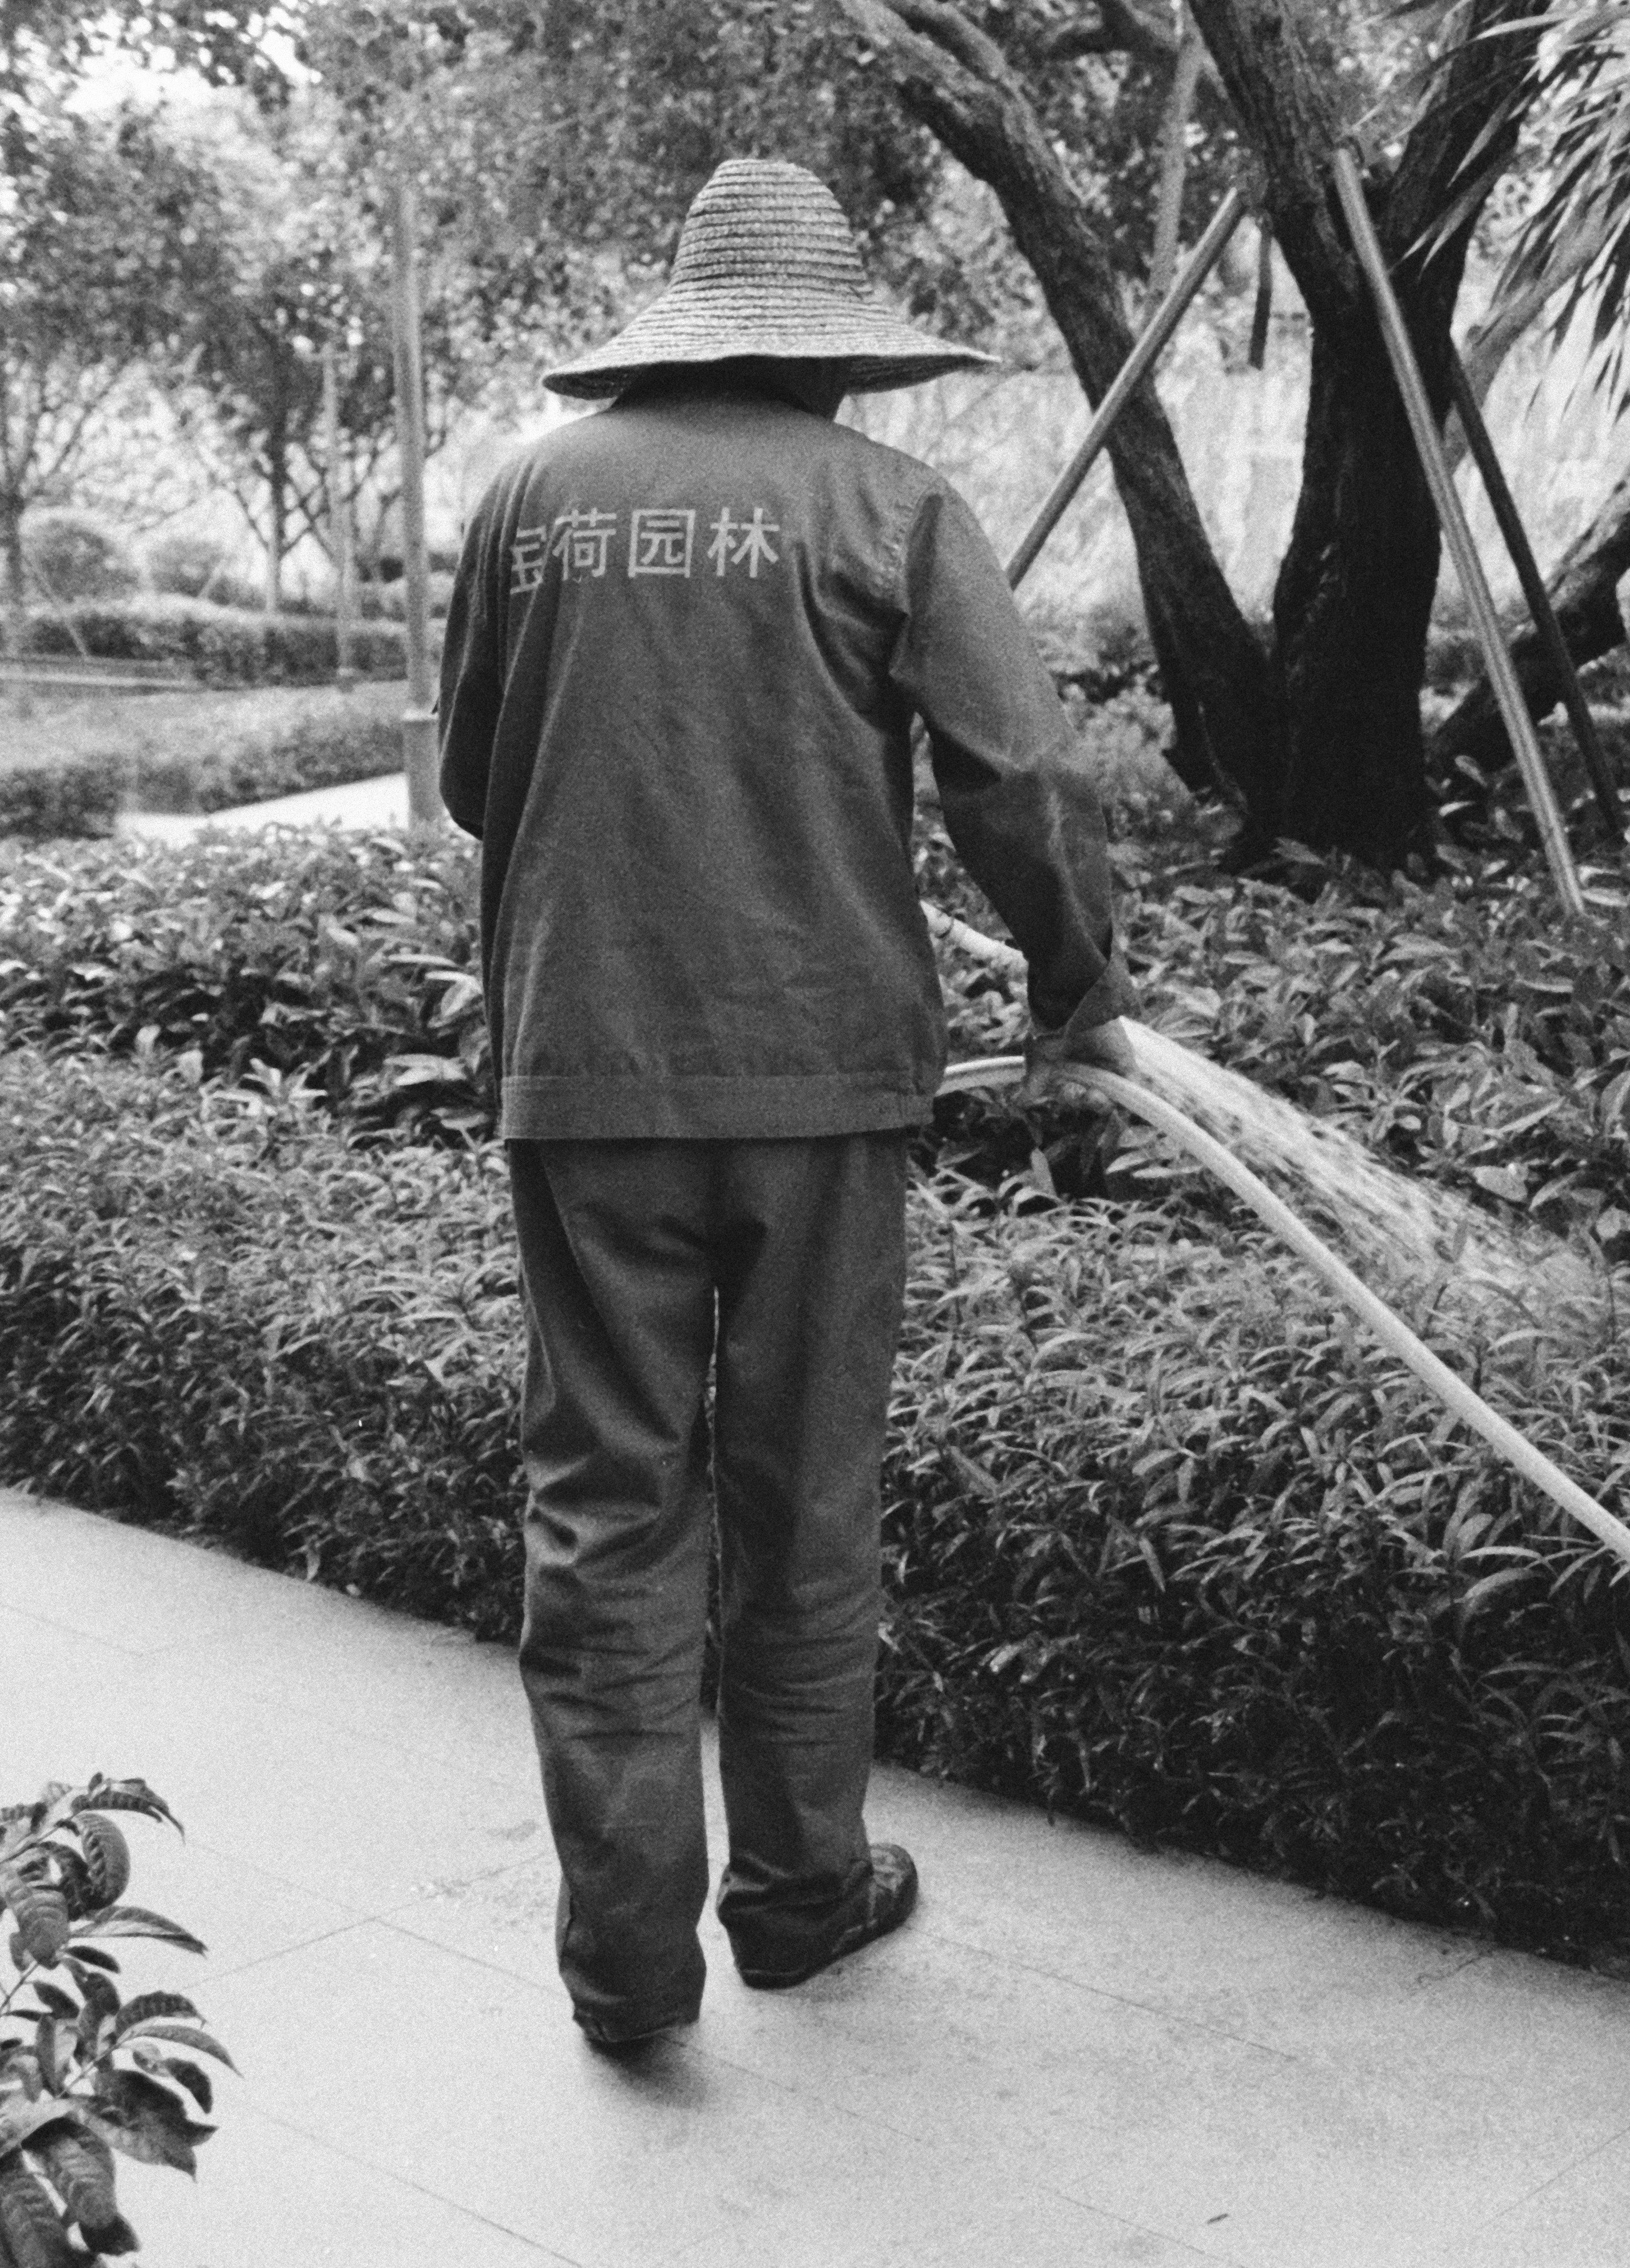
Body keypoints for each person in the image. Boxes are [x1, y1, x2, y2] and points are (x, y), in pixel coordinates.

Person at [438, 157, 1133, 2047]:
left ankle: (626, 1970)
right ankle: (804, 1898)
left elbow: (478, 786)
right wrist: (1077, 985)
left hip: (586, 1079)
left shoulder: (528, 498)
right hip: (824, 1088)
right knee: (803, 1502)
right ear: (835, 356)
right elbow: (1017, 784)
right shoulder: (892, 508)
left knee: (604, 1509)